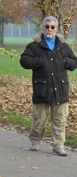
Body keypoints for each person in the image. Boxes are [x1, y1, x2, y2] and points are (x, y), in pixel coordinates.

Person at [20, 16, 77, 156]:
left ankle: (58, 145)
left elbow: (74, 61)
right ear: (43, 28)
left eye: (52, 27)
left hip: (60, 89)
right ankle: (35, 140)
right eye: (47, 26)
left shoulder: (63, 46)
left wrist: (66, 62)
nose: (49, 29)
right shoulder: (34, 46)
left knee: (60, 119)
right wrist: (39, 61)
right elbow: (24, 60)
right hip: (42, 88)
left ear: (56, 29)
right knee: (39, 119)